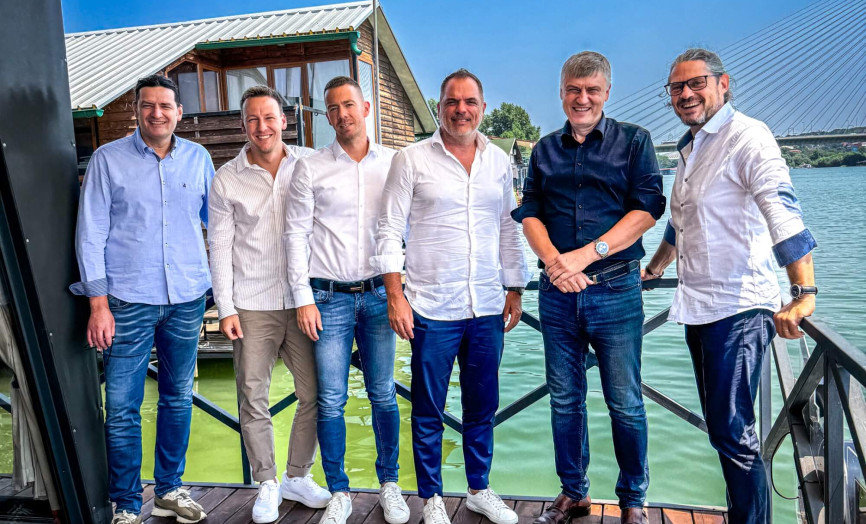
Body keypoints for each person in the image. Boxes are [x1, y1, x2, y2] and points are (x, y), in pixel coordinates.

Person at [642, 48, 818, 524]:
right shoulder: (691, 148)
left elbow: (782, 211)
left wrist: (803, 294)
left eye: (696, 83)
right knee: (724, 430)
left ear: (723, 84)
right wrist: (654, 269)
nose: (685, 94)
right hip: (697, 307)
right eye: (676, 88)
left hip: (738, 308)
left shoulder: (748, 136)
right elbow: (680, 223)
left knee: (733, 432)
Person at [512, 52, 666, 524]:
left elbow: (647, 210)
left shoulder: (635, 142)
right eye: (573, 90)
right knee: (564, 400)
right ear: (561, 93)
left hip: (616, 291)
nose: (582, 99)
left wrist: (585, 256)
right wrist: (555, 264)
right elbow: (530, 212)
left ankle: (633, 501)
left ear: (606, 93)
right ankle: (573, 492)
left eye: (592, 90)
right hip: (557, 294)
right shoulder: (544, 150)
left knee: (625, 402)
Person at [372, 69, 531, 524]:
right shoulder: (411, 159)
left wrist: (515, 287)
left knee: (482, 405)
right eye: (452, 102)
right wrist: (396, 296)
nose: (461, 110)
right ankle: (432, 498)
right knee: (428, 410)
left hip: (486, 305)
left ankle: (479, 489)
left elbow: (508, 228)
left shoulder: (497, 161)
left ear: (482, 108)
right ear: (439, 107)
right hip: (431, 306)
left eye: (470, 102)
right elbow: (388, 229)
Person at [71, 75, 213, 524]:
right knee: (122, 407)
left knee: (178, 397)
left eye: (165, 106)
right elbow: (90, 233)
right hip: (127, 299)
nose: (157, 113)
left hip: (187, 297)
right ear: (136, 110)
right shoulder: (107, 159)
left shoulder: (198, 158)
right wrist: (98, 304)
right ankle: (128, 504)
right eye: (148, 105)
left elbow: (221, 223)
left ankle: (169, 489)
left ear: (179, 113)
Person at [284, 76, 410, 524]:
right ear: (327, 115)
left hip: (380, 294)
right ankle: (339, 490)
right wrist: (303, 298)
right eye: (333, 108)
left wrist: (405, 290)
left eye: (349, 105)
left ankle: (390, 484)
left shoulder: (394, 163)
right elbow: (295, 236)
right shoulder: (311, 168)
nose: (341, 114)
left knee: (383, 394)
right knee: (331, 399)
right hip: (328, 298)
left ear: (366, 108)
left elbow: (410, 228)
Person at [208, 86, 331, 524]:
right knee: (252, 395)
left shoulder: (310, 163)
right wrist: (226, 307)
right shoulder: (226, 179)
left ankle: (298, 475)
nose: (262, 126)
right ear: (244, 125)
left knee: (316, 393)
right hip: (251, 303)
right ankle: (266, 482)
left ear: (284, 120)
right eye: (253, 119)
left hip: (304, 301)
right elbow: (219, 247)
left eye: (269, 117)